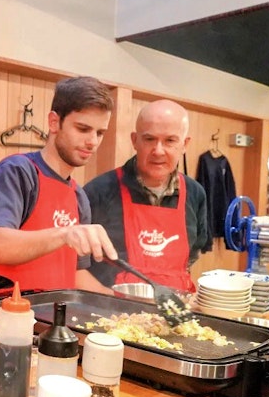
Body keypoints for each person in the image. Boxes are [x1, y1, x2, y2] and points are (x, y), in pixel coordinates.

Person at [0, 77, 119, 312]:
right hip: (0, 322)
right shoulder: (18, 172)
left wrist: (124, 303)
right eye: (82, 129)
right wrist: (65, 233)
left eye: (100, 133)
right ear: (54, 122)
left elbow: (77, 275)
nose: (92, 141)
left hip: (49, 328)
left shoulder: (79, 197)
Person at [81, 99, 211, 293]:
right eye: (149, 139)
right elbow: (75, 264)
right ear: (135, 140)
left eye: (170, 141)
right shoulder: (98, 191)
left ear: (184, 144)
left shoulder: (195, 193)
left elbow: (193, 253)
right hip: (112, 313)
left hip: (174, 313)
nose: (158, 151)